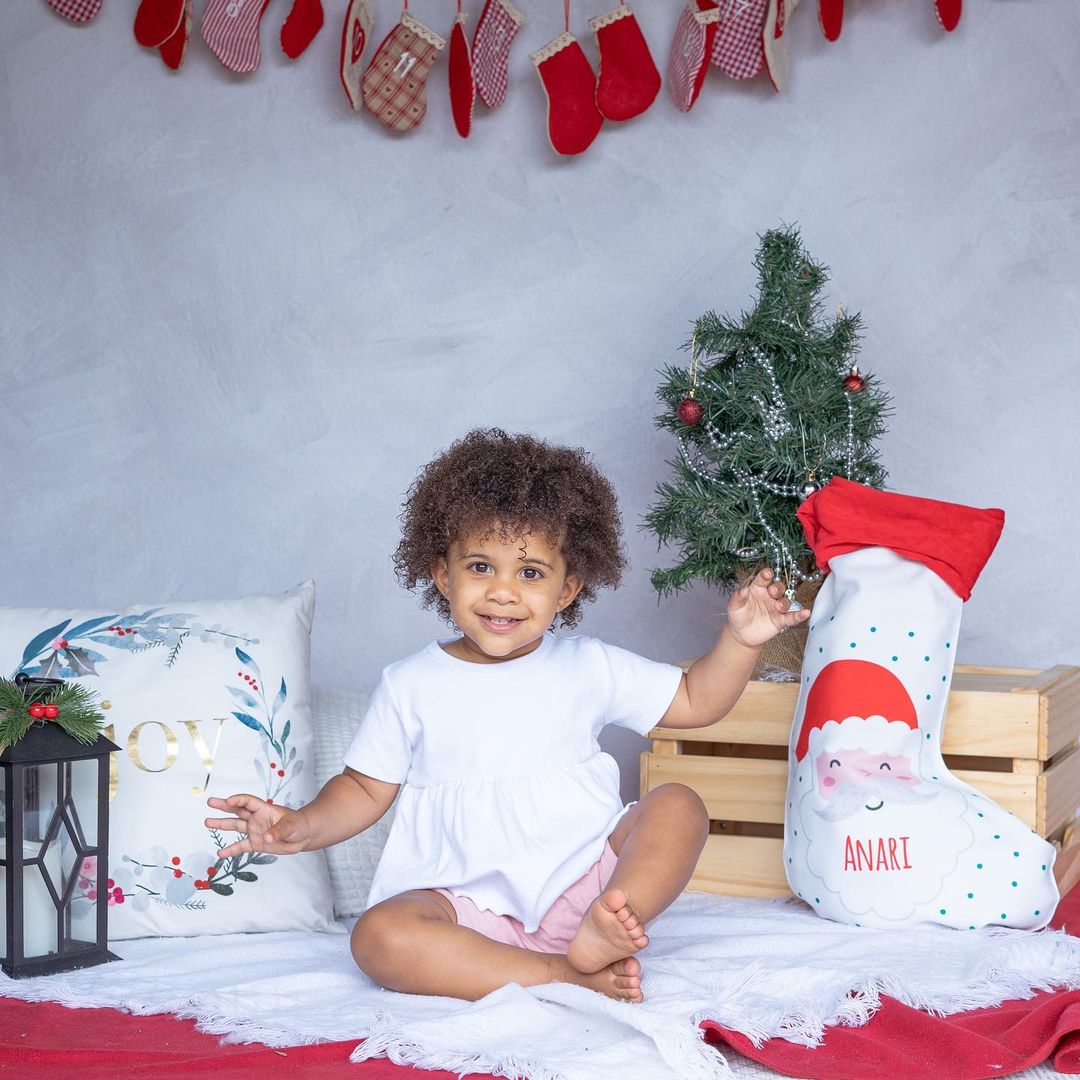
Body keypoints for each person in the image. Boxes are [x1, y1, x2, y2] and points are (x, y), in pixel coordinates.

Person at [206, 428, 808, 1003]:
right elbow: (365, 788)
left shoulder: (587, 666)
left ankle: (614, 919)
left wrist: (742, 641)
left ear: (567, 589)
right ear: (442, 573)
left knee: (680, 805)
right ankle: (562, 973)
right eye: (479, 567)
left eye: (530, 573)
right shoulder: (410, 683)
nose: (502, 591)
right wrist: (300, 826)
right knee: (377, 937)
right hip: (464, 909)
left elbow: (696, 701)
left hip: (584, 885)